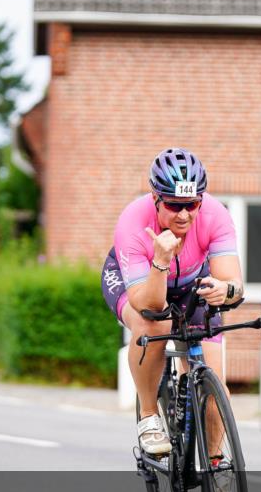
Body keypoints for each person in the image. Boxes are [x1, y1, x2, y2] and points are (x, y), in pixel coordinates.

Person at [101, 148, 243, 457]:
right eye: (174, 205)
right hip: (140, 283)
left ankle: (216, 464)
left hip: (192, 283)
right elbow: (147, 303)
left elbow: (234, 285)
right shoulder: (133, 222)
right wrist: (161, 261)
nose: (184, 215)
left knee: (215, 383)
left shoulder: (216, 214)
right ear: (155, 198)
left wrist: (224, 289)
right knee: (154, 321)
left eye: (191, 204)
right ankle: (149, 415)